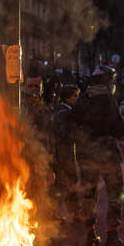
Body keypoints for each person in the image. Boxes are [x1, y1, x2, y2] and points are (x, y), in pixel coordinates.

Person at [72, 65, 124, 246]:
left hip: (86, 156)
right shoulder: (107, 100)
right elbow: (121, 131)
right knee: (115, 195)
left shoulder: (83, 99)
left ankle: (90, 236)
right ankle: (112, 238)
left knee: (89, 196)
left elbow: (72, 125)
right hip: (107, 157)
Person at [53, 84, 80, 223]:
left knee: (64, 184)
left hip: (63, 153)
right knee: (68, 183)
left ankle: (70, 212)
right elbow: (64, 134)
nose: (77, 98)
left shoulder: (61, 111)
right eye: (75, 96)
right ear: (67, 98)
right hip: (64, 154)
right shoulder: (65, 113)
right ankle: (72, 213)